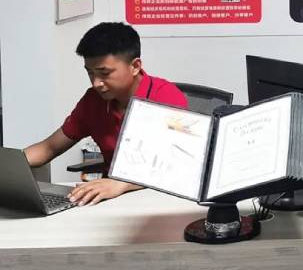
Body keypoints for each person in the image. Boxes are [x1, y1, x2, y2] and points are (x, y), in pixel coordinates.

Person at [24, 22, 188, 205]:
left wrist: (122, 183)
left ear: (135, 66)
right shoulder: (93, 100)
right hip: (110, 199)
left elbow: (177, 165)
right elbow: (49, 148)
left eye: (105, 73)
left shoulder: (166, 97)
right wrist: (10, 166)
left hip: (160, 199)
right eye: (90, 73)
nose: (96, 83)